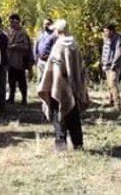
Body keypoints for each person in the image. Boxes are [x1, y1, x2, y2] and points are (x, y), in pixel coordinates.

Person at [38, 19, 88, 151]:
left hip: (58, 86)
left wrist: (49, 86)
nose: (53, 31)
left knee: (58, 117)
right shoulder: (75, 45)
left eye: (55, 30)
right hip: (74, 86)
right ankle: (78, 144)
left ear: (58, 31)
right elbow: (80, 67)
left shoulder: (58, 46)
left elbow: (53, 69)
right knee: (74, 117)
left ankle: (61, 146)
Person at [6, 14, 32, 105]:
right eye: (10, 22)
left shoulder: (23, 33)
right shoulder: (10, 32)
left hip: (19, 61)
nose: (11, 24)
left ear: (17, 22)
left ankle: (24, 99)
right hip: (11, 61)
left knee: (21, 82)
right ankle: (11, 98)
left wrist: (16, 46)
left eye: (12, 22)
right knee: (11, 81)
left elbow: (26, 47)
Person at [101, 23, 121, 113]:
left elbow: (118, 53)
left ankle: (117, 105)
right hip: (106, 65)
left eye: (106, 31)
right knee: (109, 84)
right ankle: (111, 101)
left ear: (112, 31)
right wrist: (103, 62)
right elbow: (104, 51)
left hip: (114, 66)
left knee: (113, 84)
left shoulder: (117, 39)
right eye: (104, 31)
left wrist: (113, 65)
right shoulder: (106, 38)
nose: (105, 33)